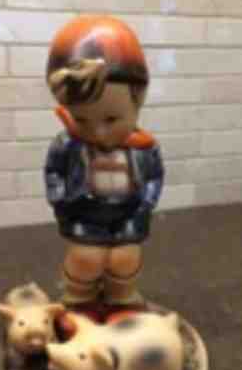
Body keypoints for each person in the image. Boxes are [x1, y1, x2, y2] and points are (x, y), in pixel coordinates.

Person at [44, 16, 164, 316]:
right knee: (86, 257)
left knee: (125, 258)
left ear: (137, 102)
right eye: (81, 120)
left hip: (128, 214)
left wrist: (146, 204)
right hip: (84, 211)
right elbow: (53, 171)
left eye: (111, 119)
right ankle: (78, 300)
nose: (98, 133)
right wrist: (60, 198)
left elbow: (154, 177)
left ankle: (121, 298)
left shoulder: (145, 147)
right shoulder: (67, 145)